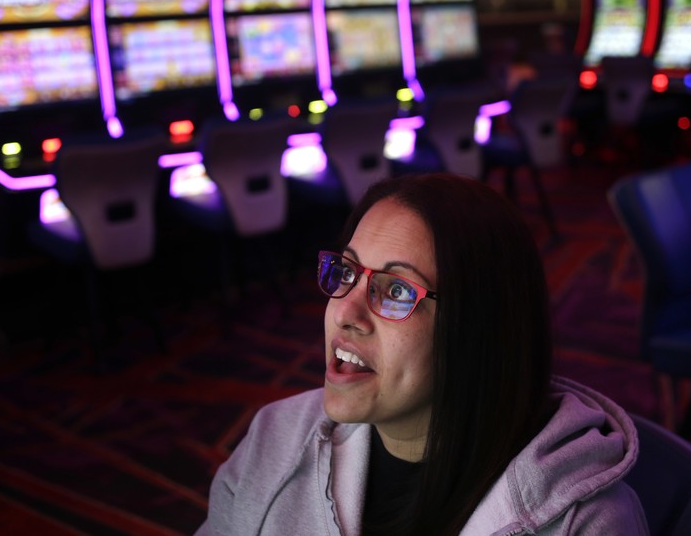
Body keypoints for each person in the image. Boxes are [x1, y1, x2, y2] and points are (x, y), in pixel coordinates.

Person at [197, 173, 648, 535]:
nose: (344, 312)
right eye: (347, 271)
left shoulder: (586, 523)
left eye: (395, 289)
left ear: (479, 327)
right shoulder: (276, 436)